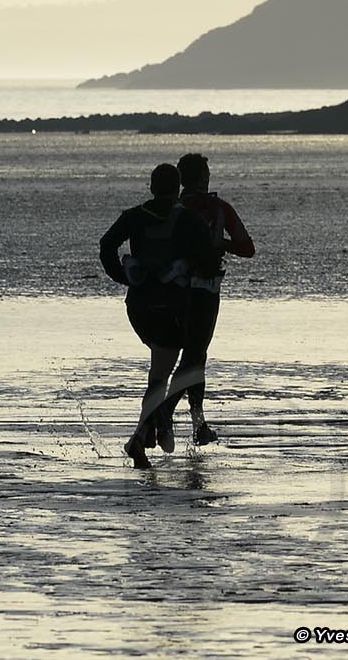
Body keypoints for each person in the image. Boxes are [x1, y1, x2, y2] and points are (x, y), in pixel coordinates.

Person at [99, 163, 216, 469]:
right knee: (164, 374)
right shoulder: (189, 219)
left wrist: (122, 275)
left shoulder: (133, 216)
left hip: (138, 307)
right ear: (178, 189)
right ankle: (142, 436)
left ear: (151, 187)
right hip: (171, 308)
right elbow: (207, 259)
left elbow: (106, 245)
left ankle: (147, 434)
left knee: (159, 369)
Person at [155, 152, 256, 449]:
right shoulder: (219, 208)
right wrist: (219, 242)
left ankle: (198, 425)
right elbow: (247, 248)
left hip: (170, 291)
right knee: (194, 357)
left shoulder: (171, 208)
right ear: (203, 177)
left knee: (193, 357)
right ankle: (167, 413)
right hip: (205, 291)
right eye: (207, 174)